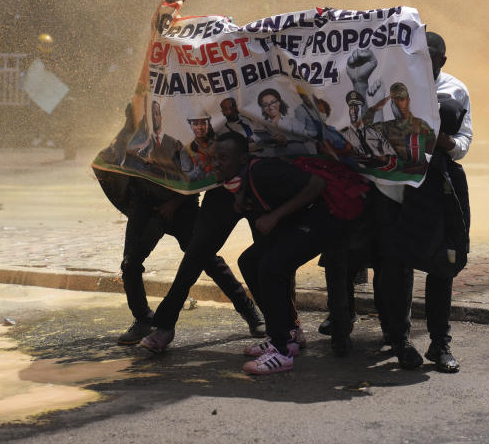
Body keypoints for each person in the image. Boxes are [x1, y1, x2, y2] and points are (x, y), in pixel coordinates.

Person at [144, 132, 343, 375]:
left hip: (301, 209)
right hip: (244, 183)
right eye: (213, 158)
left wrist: (274, 216)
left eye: (222, 158)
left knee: (271, 264)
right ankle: (283, 334)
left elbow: (314, 186)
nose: (215, 162)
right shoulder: (237, 175)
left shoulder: (262, 171)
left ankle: (284, 340)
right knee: (236, 258)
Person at [92, 165, 265, 345]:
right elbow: (116, 160)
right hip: (144, 202)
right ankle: (143, 318)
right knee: (130, 263)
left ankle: (248, 310)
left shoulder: (186, 138)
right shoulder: (138, 137)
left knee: (206, 258)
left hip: (182, 205)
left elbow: (199, 172)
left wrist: (175, 203)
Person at [422, 31, 473, 373]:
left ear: (442, 61)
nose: (423, 63)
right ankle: (395, 339)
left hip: (439, 185)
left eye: (430, 58)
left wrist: (443, 142)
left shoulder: (455, 91)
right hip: (398, 185)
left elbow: (465, 143)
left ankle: (439, 343)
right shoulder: (392, 86)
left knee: (443, 262)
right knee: (392, 262)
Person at [365, 82, 436, 169]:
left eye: (402, 99)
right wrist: (374, 109)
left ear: (408, 100)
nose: (399, 104)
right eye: (395, 100)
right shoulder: (386, 127)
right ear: (391, 104)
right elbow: (364, 132)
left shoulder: (420, 125)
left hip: (416, 175)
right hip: (394, 174)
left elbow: (433, 148)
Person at [339, 90, 397, 170]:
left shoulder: (374, 132)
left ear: (361, 110)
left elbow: (392, 153)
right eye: (351, 107)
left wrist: (382, 157)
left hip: (382, 168)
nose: (353, 111)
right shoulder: (344, 134)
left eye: (356, 107)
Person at [179, 110, 215, 181]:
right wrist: (203, 166)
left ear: (208, 124)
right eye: (195, 124)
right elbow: (186, 178)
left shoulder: (216, 144)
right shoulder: (186, 150)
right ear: (191, 127)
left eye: (203, 123)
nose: (200, 127)